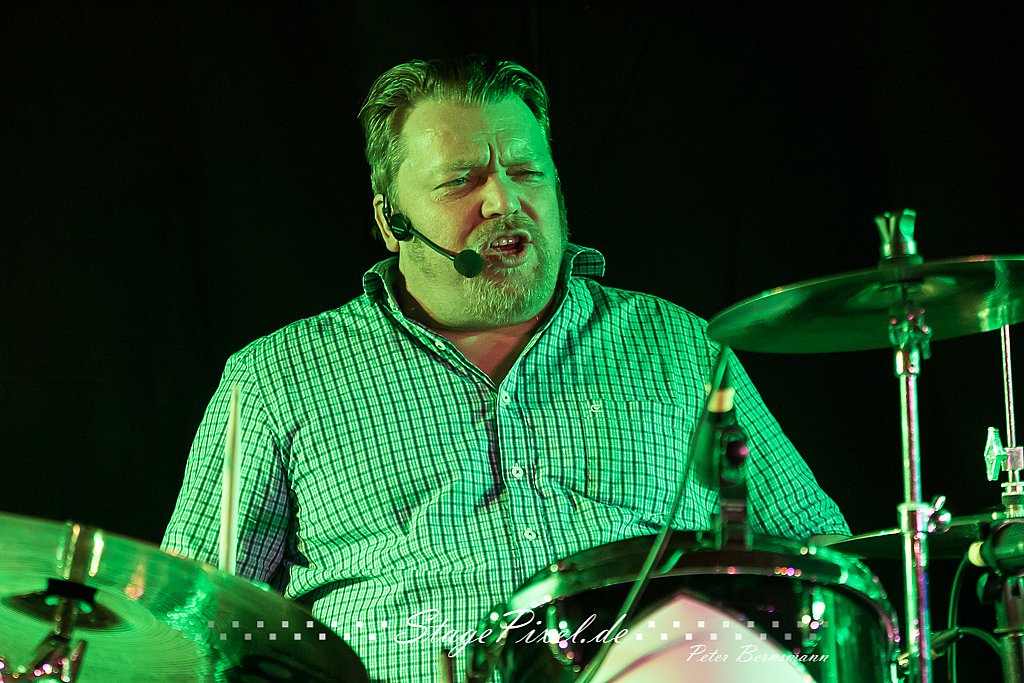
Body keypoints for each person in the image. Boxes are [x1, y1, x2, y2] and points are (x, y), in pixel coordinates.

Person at [162, 54, 849, 683]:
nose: (503, 202)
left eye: (526, 172)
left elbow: (822, 558)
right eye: (461, 181)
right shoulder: (275, 377)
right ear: (391, 220)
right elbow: (187, 626)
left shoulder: (683, 344)